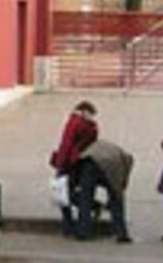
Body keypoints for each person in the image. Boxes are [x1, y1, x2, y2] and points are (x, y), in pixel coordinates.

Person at [49, 100, 99, 237]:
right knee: (66, 194)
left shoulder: (77, 123)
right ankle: (90, 209)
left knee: (63, 195)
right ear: (83, 111)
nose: (92, 117)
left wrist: (60, 164)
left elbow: (66, 144)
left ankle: (68, 226)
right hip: (72, 163)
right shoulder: (80, 124)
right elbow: (68, 143)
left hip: (69, 163)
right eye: (90, 114)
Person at [75, 137, 134, 243]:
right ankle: (121, 234)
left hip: (90, 162)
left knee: (86, 199)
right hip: (109, 164)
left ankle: (83, 232)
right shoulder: (123, 159)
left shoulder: (93, 148)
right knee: (117, 200)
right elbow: (121, 185)